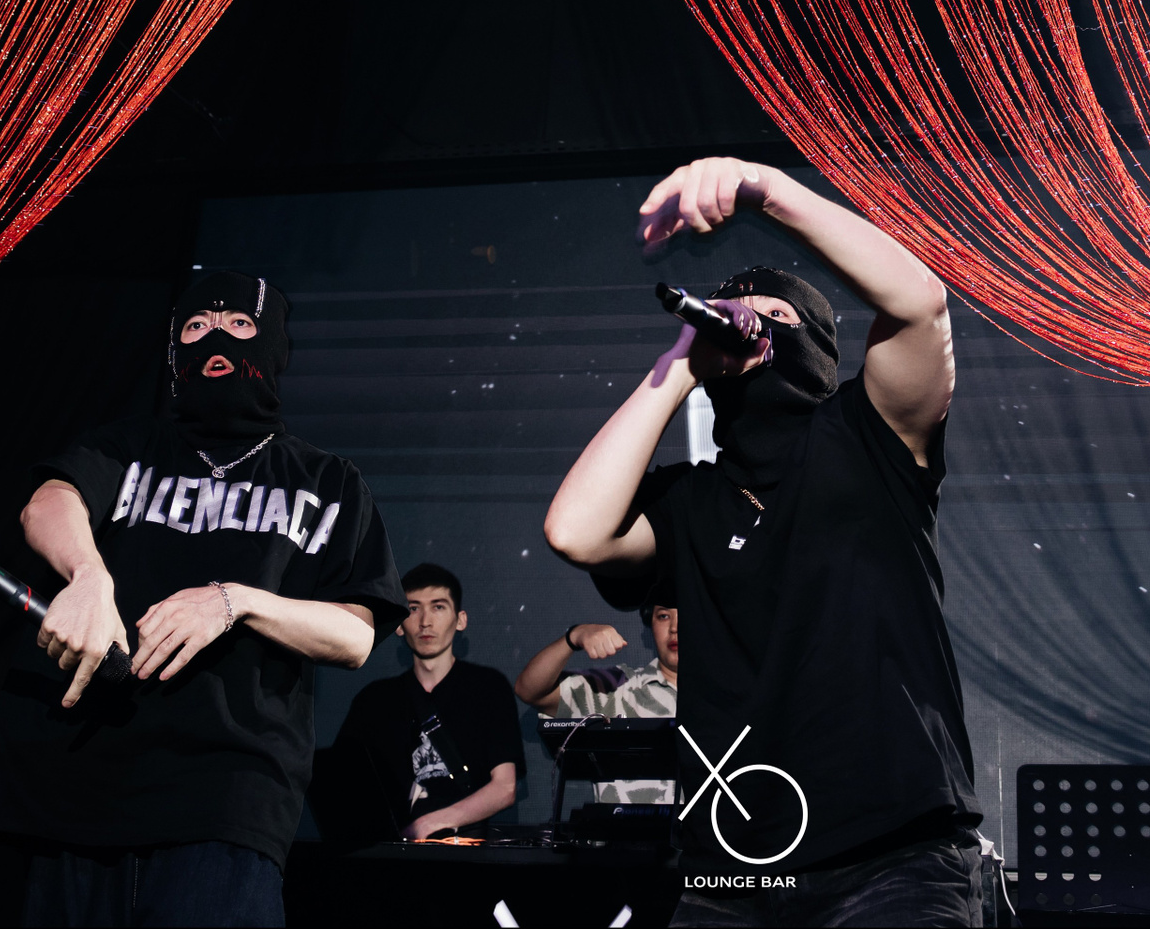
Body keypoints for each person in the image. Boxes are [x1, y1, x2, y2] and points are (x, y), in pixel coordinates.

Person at [543, 158, 983, 927]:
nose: (746, 320)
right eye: (732, 311)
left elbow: (919, 303)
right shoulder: (691, 500)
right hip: (734, 871)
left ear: (813, 343)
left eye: (772, 314)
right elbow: (574, 532)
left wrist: (767, 190)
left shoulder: (869, 436)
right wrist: (678, 365)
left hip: (893, 856)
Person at [0, 272, 407, 928]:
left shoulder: (328, 480)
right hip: (78, 787)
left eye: (239, 325)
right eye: (196, 327)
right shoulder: (126, 447)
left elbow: (356, 635)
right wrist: (88, 577)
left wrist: (236, 601)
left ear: (273, 345)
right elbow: (48, 503)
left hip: (226, 795)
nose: (216, 340)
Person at [330, 563, 525, 839]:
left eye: (438, 607)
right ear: (399, 625)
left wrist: (427, 824)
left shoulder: (488, 688)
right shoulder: (373, 701)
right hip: (392, 854)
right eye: (413, 608)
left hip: (470, 851)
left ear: (460, 620)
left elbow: (505, 788)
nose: (425, 622)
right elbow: (342, 786)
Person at [515, 586, 679, 804]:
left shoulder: (725, 695)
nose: (674, 628)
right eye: (664, 616)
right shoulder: (616, 688)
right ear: (651, 622)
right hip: (624, 827)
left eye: (686, 614)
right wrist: (574, 636)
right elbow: (529, 690)